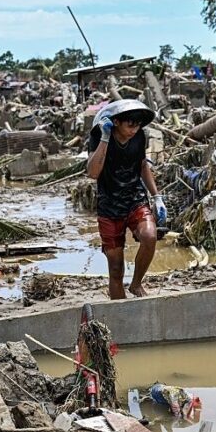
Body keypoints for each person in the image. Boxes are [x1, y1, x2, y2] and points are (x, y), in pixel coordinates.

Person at [87, 103, 166, 299]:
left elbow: (142, 165)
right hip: (109, 205)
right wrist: (105, 138)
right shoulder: (98, 136)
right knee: (115, 268)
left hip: (135, 198)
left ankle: (136, 284)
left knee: (149, 236)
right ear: (116, 122)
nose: (134, 130)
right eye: (130, 125)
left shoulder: (139, 137)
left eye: (137, 125)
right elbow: (93, 173)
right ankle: (120, 309)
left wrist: (156, 196)